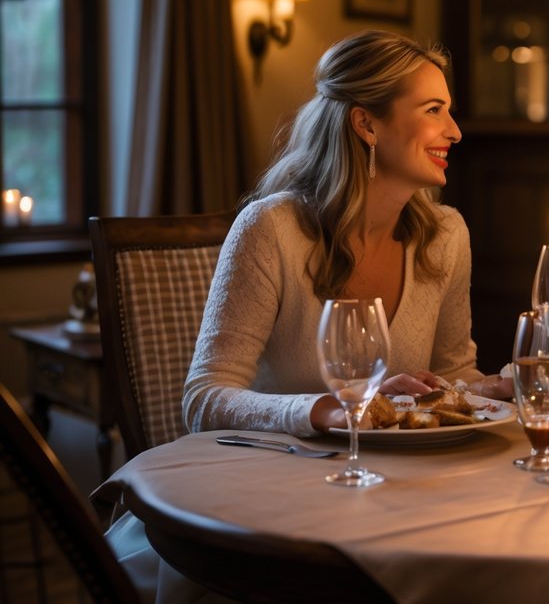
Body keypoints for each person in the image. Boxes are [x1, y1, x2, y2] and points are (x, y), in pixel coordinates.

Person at [184, 30, 510, 439]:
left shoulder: (445, 236)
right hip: (281, 469)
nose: (455, 132)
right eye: (433, 110)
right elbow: (204, 398)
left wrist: (492, 388)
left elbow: (452, 372)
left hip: (400, 472)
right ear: (366, 124)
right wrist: (325, 410)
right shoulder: (270, 230)